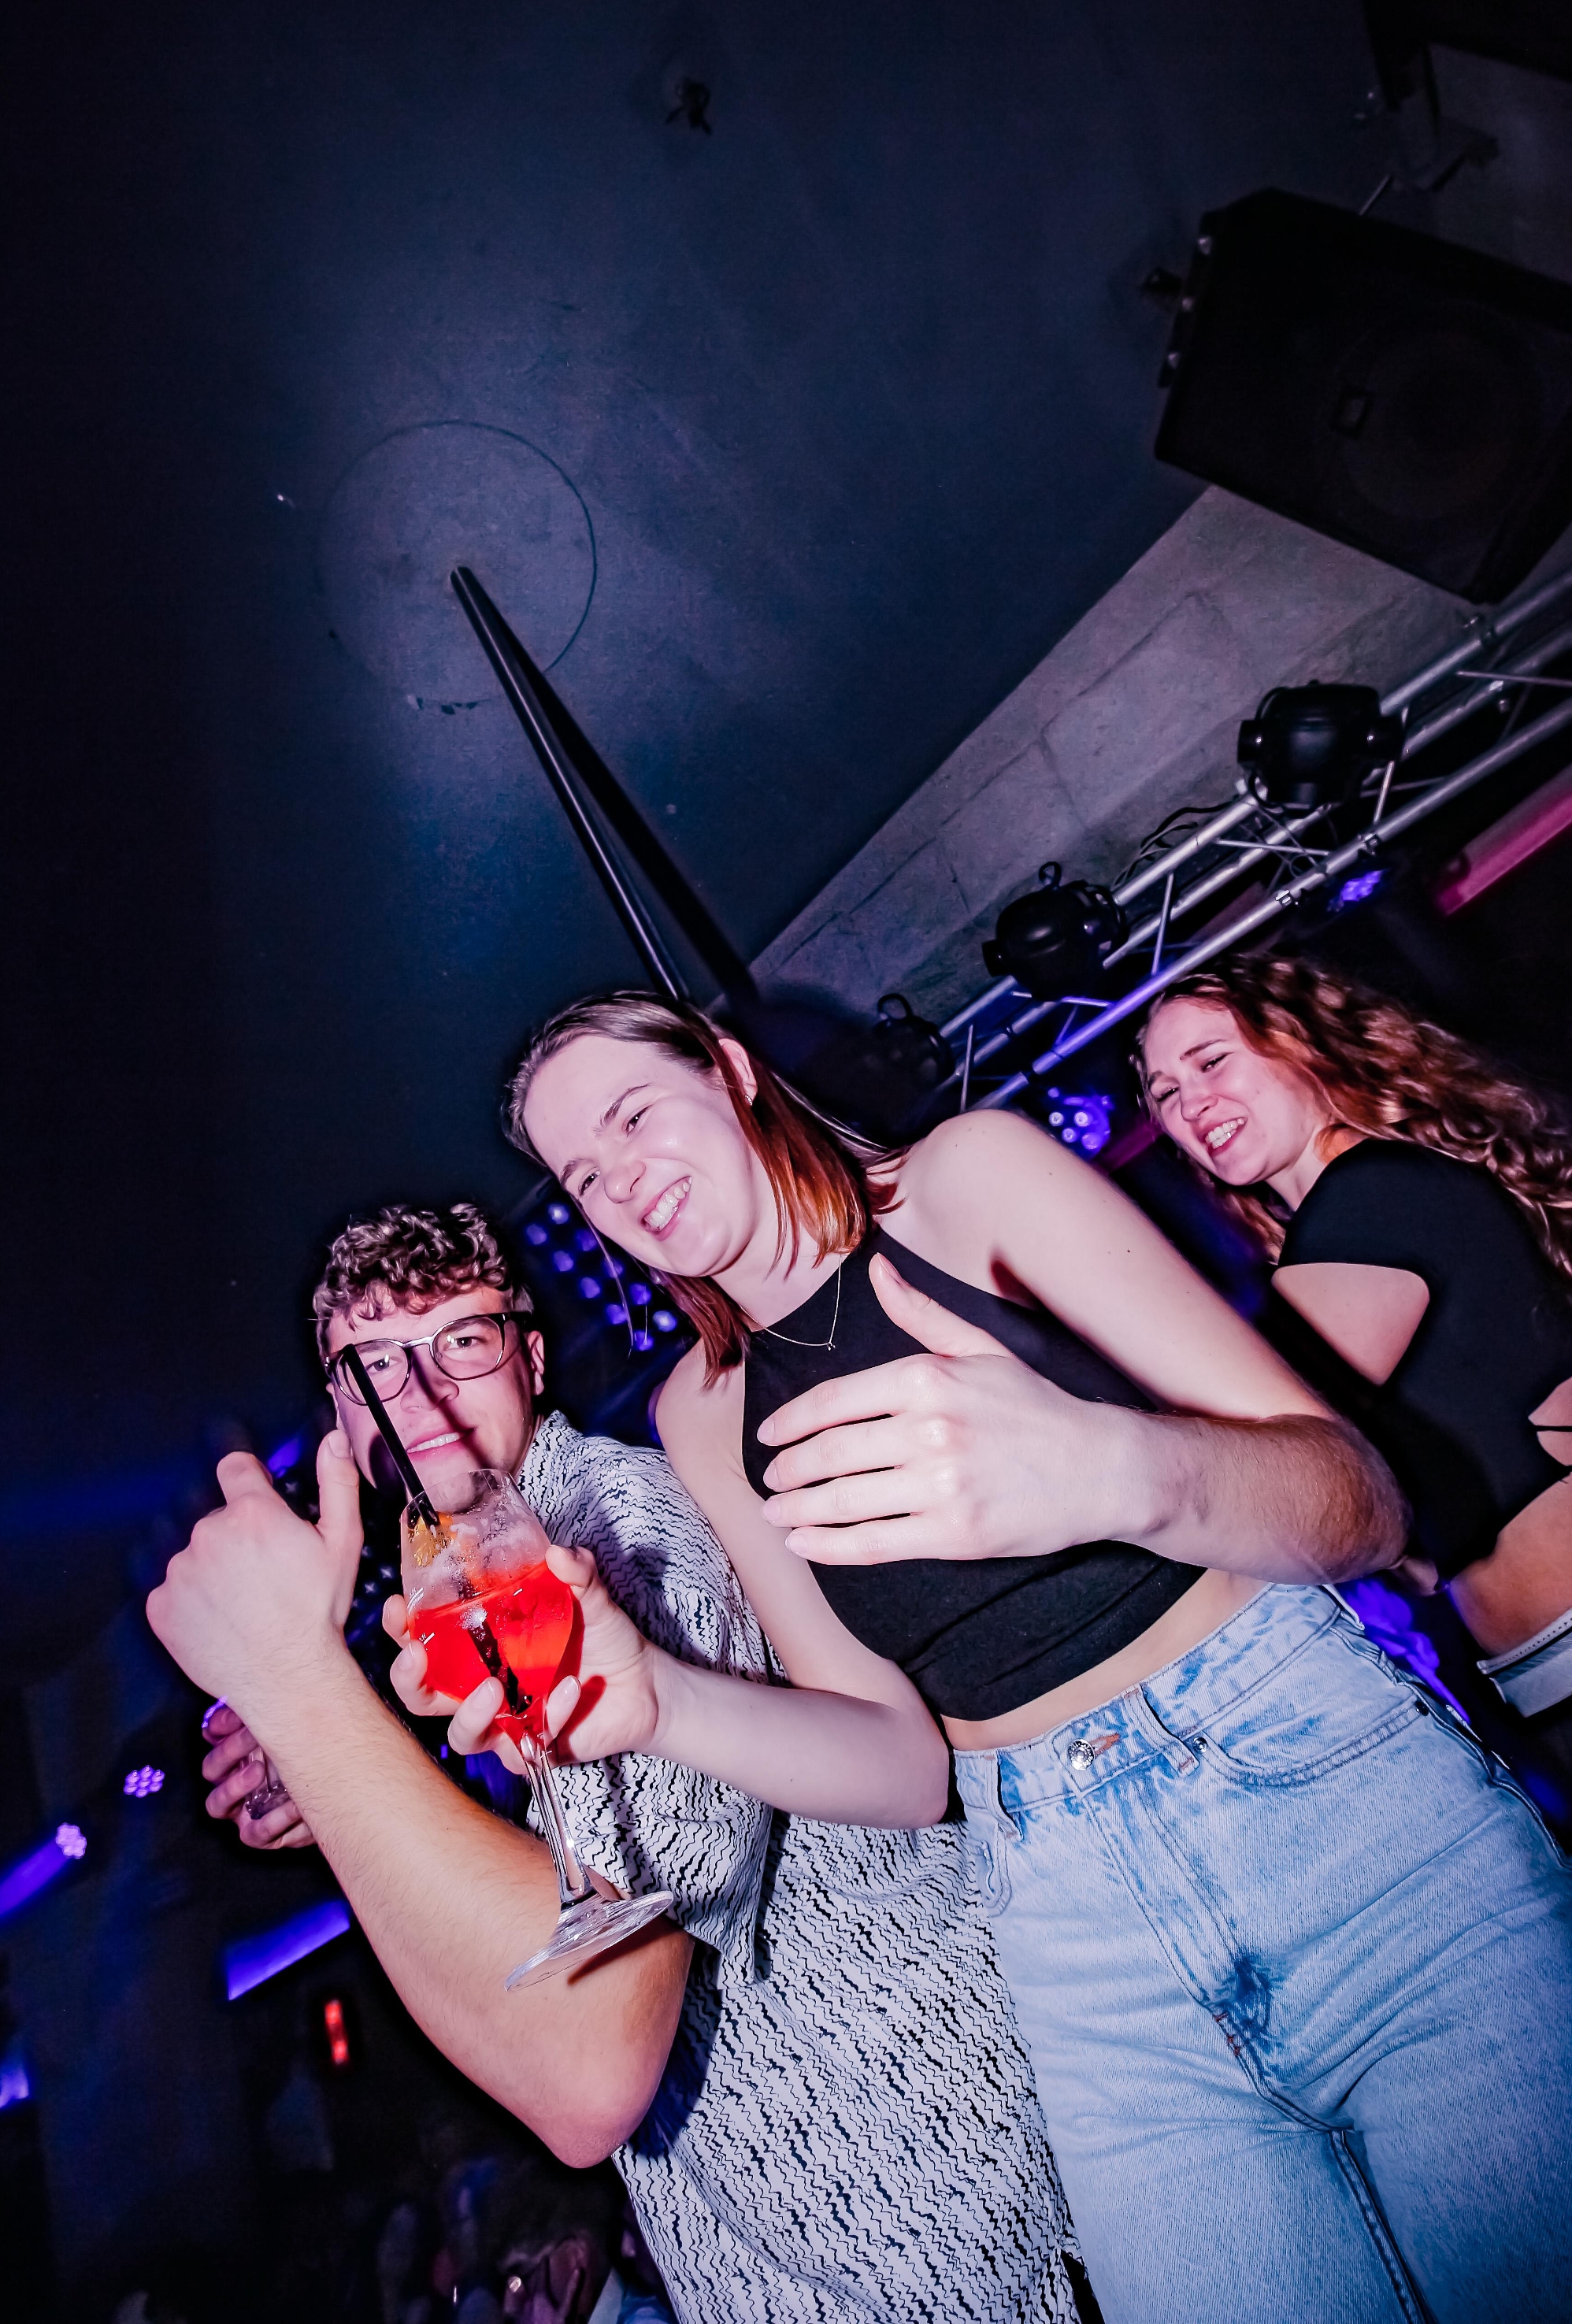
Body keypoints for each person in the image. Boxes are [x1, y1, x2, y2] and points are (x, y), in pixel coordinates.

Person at [504, 988, 1572, 2324]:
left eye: (633, 1117)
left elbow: (1359, 1501)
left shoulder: (968, 1183)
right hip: (1073, 1925)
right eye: (581, 1175)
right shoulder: (702, 1413)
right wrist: (658, 1699)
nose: (620, 1182)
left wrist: (1111, 1467)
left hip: (1330, 1800)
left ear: (729, 1071)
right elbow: (900, 1765)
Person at [151, 1203, 1087, 2324]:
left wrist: (307, 1706)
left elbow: (590, 2052)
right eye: (377, 1365)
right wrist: (349, 1781)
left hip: (926, 2196)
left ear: (533, 1361)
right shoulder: (454, 1579)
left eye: (462, 1341)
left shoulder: (606, 1534)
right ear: (342, 1417)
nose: (425, 1396)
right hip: (796, 2237)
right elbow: (548, 1858)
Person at [1140, 951, 1572, 1781]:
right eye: (1164, 1093)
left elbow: (1247, 1447)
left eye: (1210, 1061)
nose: (1189, 1103)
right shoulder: (1350, 1216)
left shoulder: (1373, 1193)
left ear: (1303, 1043)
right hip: (1534, 1665)